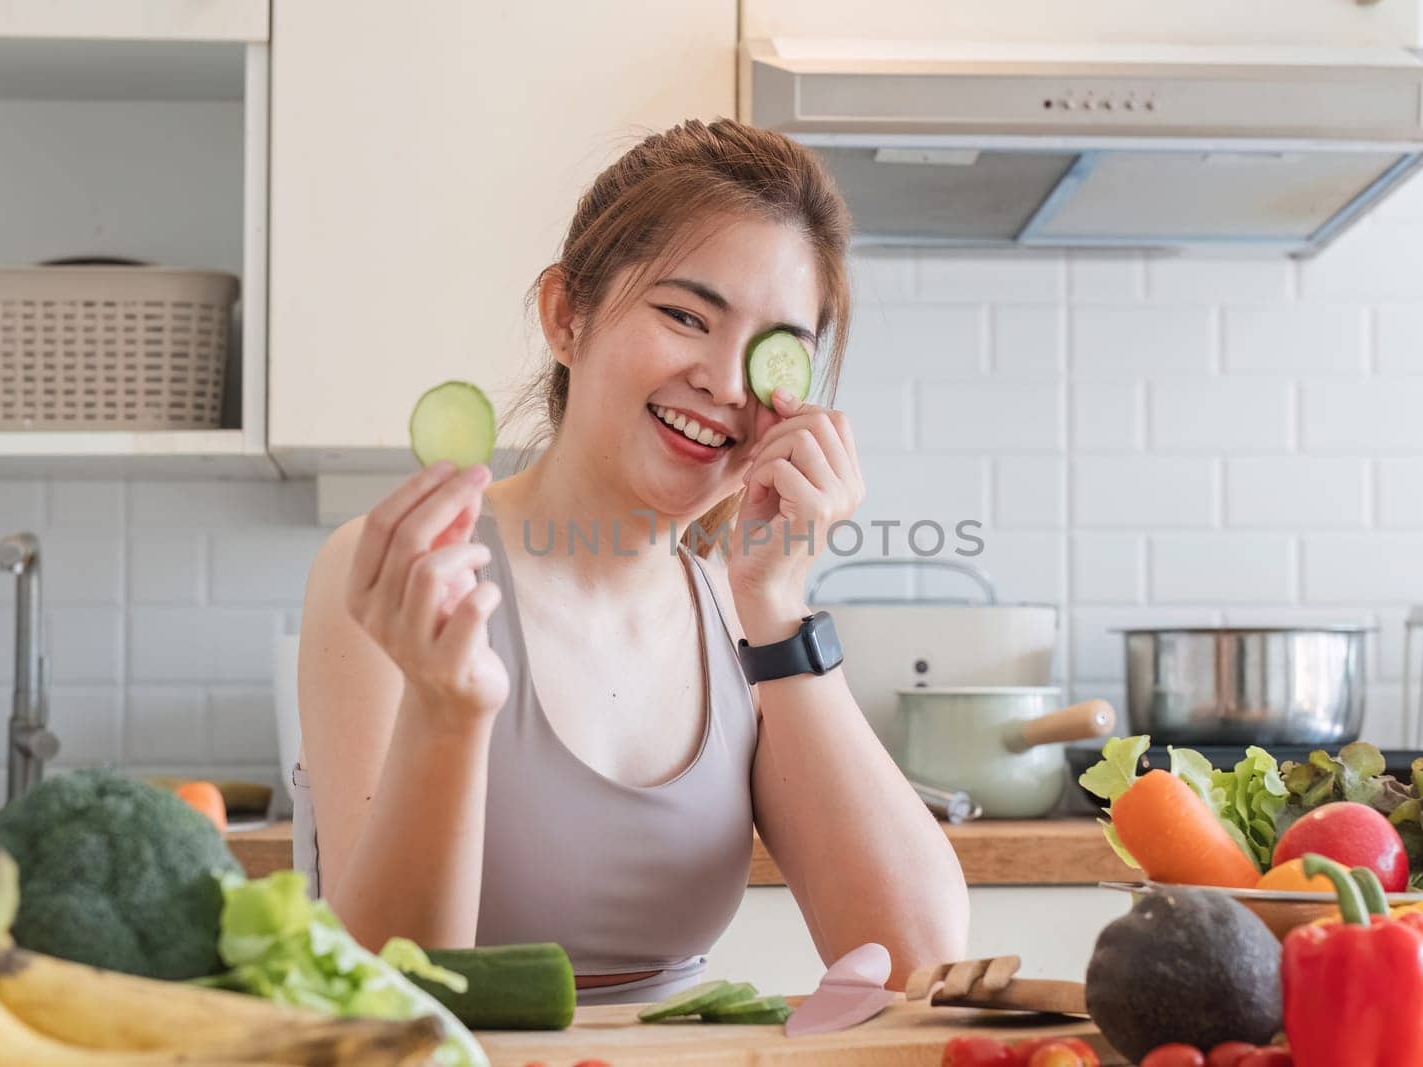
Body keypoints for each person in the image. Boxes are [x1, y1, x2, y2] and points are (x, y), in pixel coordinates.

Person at [292, 117, 969, 1005]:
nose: (726, 384)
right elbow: (389, 992)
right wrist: (450, 712)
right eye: (686, 315)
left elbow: (919, 959)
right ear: (566, 315)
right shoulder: (401, 576)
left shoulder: (741, 618)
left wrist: (775, 608)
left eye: (775, 351)